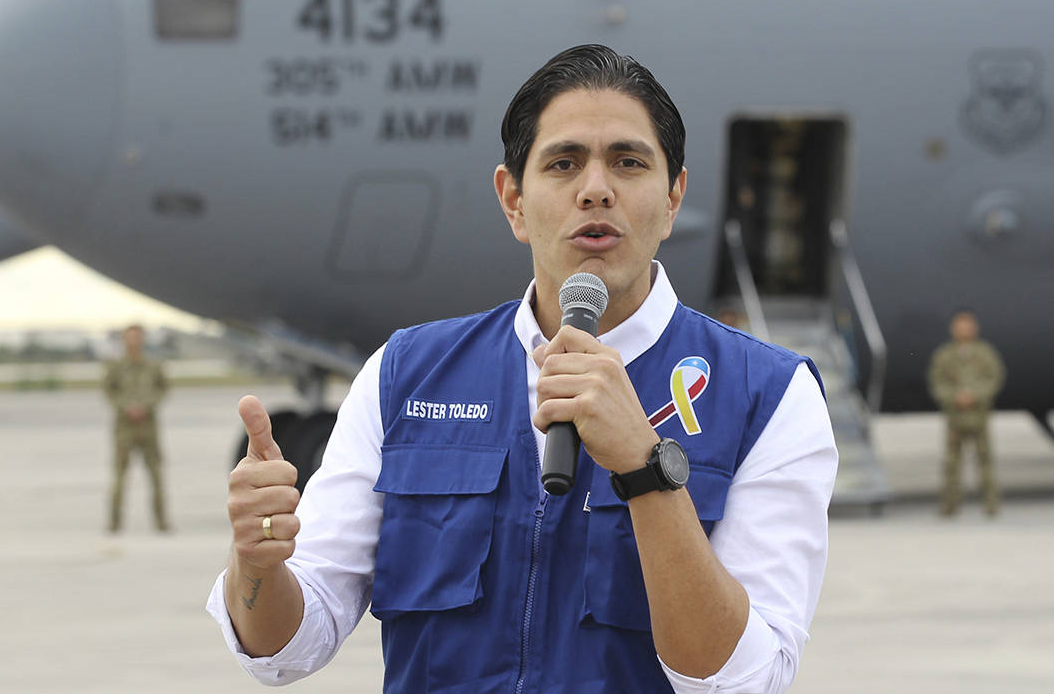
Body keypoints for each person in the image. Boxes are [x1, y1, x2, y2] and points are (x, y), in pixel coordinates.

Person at [207, 45, 838, 693]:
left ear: (673, 196)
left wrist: (648, 471)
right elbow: (285, 649)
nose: (596, 188)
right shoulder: (404, 376)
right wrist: (254, 564)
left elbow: (743, 679)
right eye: (564, 163)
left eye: (628, 161)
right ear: (513, 199)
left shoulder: (769, 396)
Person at [927, 309, 1006, 517]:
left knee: (985, 462)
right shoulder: (945, 355)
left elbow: (994, 378)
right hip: (955, 417)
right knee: (951, 463)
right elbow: (937, 382)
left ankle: (991, 505)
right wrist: (954, 397)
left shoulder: (985, 353)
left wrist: (975, 396)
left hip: (979, 416)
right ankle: (949, 505)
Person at [103, 323, 170, 533]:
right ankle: (114, 522)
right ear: (124, 340)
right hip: (124, 428)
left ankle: (161, 522)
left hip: (148, 426)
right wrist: (126, 407)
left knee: (156, 475)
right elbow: (108, 391)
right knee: (120, 477)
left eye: (137, 337)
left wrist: (146, 406)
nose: (133, 341)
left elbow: (163, 388)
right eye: (130, 337)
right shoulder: (115, 366)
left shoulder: (153, 366)